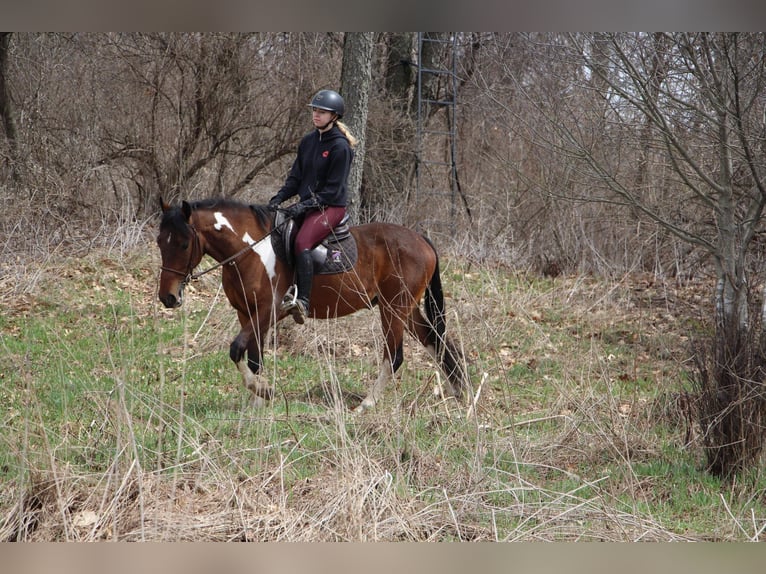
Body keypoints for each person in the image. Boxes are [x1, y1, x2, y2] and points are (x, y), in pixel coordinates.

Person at [268, 89, 358, 324]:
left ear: (334, 116)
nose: (316, 115)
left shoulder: (341, 147)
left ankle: (303, 301)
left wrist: (303, 206)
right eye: (314, 110)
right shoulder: (308, 141)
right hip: (309, 205)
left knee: (302, 241)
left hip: (330, 207)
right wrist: (278, 198)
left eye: (322, 112)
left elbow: (332, 190)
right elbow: (295, 179)